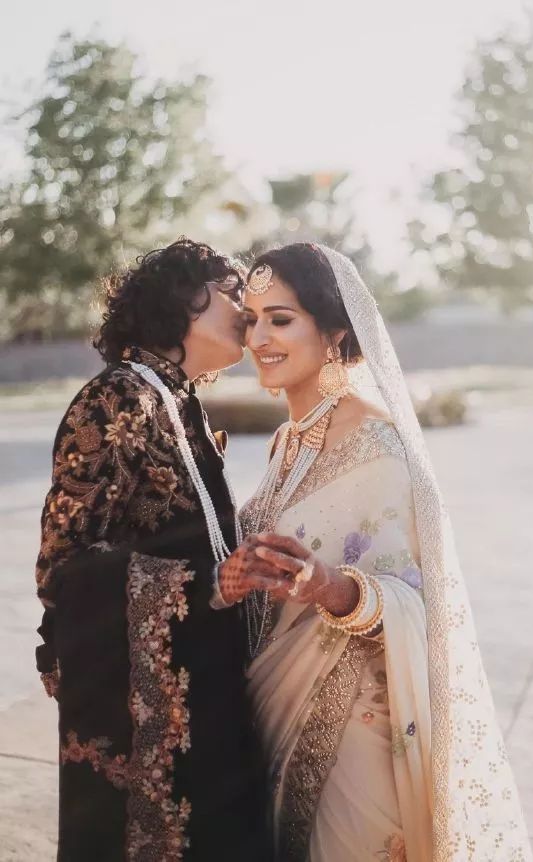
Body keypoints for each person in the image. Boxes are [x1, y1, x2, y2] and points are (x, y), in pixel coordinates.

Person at [217, 243, 533, 862]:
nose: (259, 338)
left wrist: (330, 588)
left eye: (280, 319)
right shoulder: (286, 440)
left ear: (335, 332)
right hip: (271, 716)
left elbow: (422, 603)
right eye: (250, 320)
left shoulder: (379, 444)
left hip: (352, 733)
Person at [35, 238, 272, 861]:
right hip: (142, 707)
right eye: (231, 292)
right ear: (181, 299)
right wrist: (208, 583)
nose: (247, 310)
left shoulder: (176, 398)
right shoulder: (116, 398)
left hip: (200, 674)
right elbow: (66, 566)